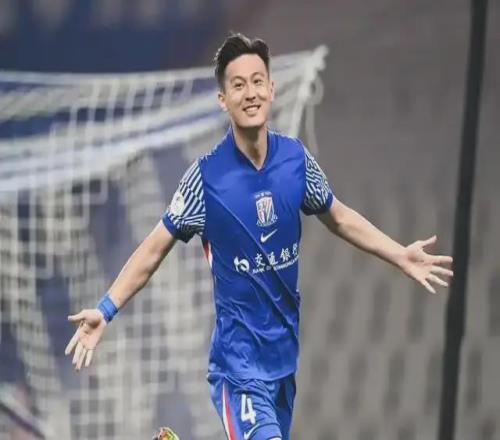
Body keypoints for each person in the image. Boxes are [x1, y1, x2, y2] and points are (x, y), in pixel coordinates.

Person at [65, 33, 454, 440]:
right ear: (223, 99)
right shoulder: (205, 179)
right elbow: (153, 249)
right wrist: (105, 309)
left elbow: (338, 217)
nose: (250, 93)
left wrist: (400, 254)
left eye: (257, 81)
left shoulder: (296, 160)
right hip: (238, 369)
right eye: (238, 85)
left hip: (283, 364)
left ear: (271, 89)